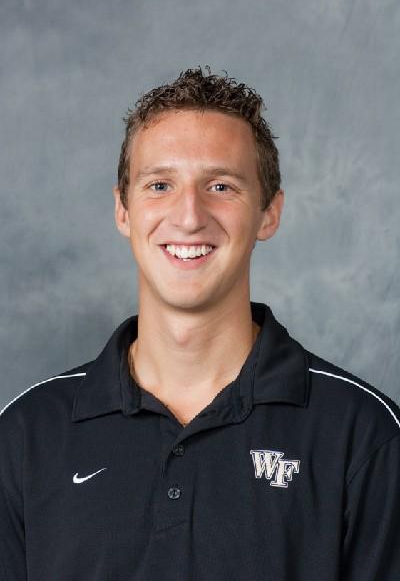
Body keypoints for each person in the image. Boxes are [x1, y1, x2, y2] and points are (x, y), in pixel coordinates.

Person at [1, 66, 399, 580]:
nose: (189, 216)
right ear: (123, 210)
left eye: (220, 185)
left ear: (268, 213)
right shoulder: (25, 436)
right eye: (160, 184)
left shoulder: (364, 435)